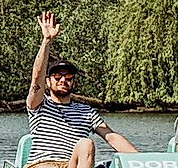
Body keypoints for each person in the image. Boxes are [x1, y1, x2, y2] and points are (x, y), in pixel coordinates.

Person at [24, 12, 138, 168]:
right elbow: (36, 79)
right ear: (48, 82)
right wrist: (47, 41)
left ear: (73, 83)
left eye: (68, 77)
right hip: (43, 164)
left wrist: (141, 160)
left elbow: (111, 137)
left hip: (72, 165)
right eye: (57, 76)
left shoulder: (86, 112)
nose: (63, 80)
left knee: (86, 144)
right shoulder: (40, 105)